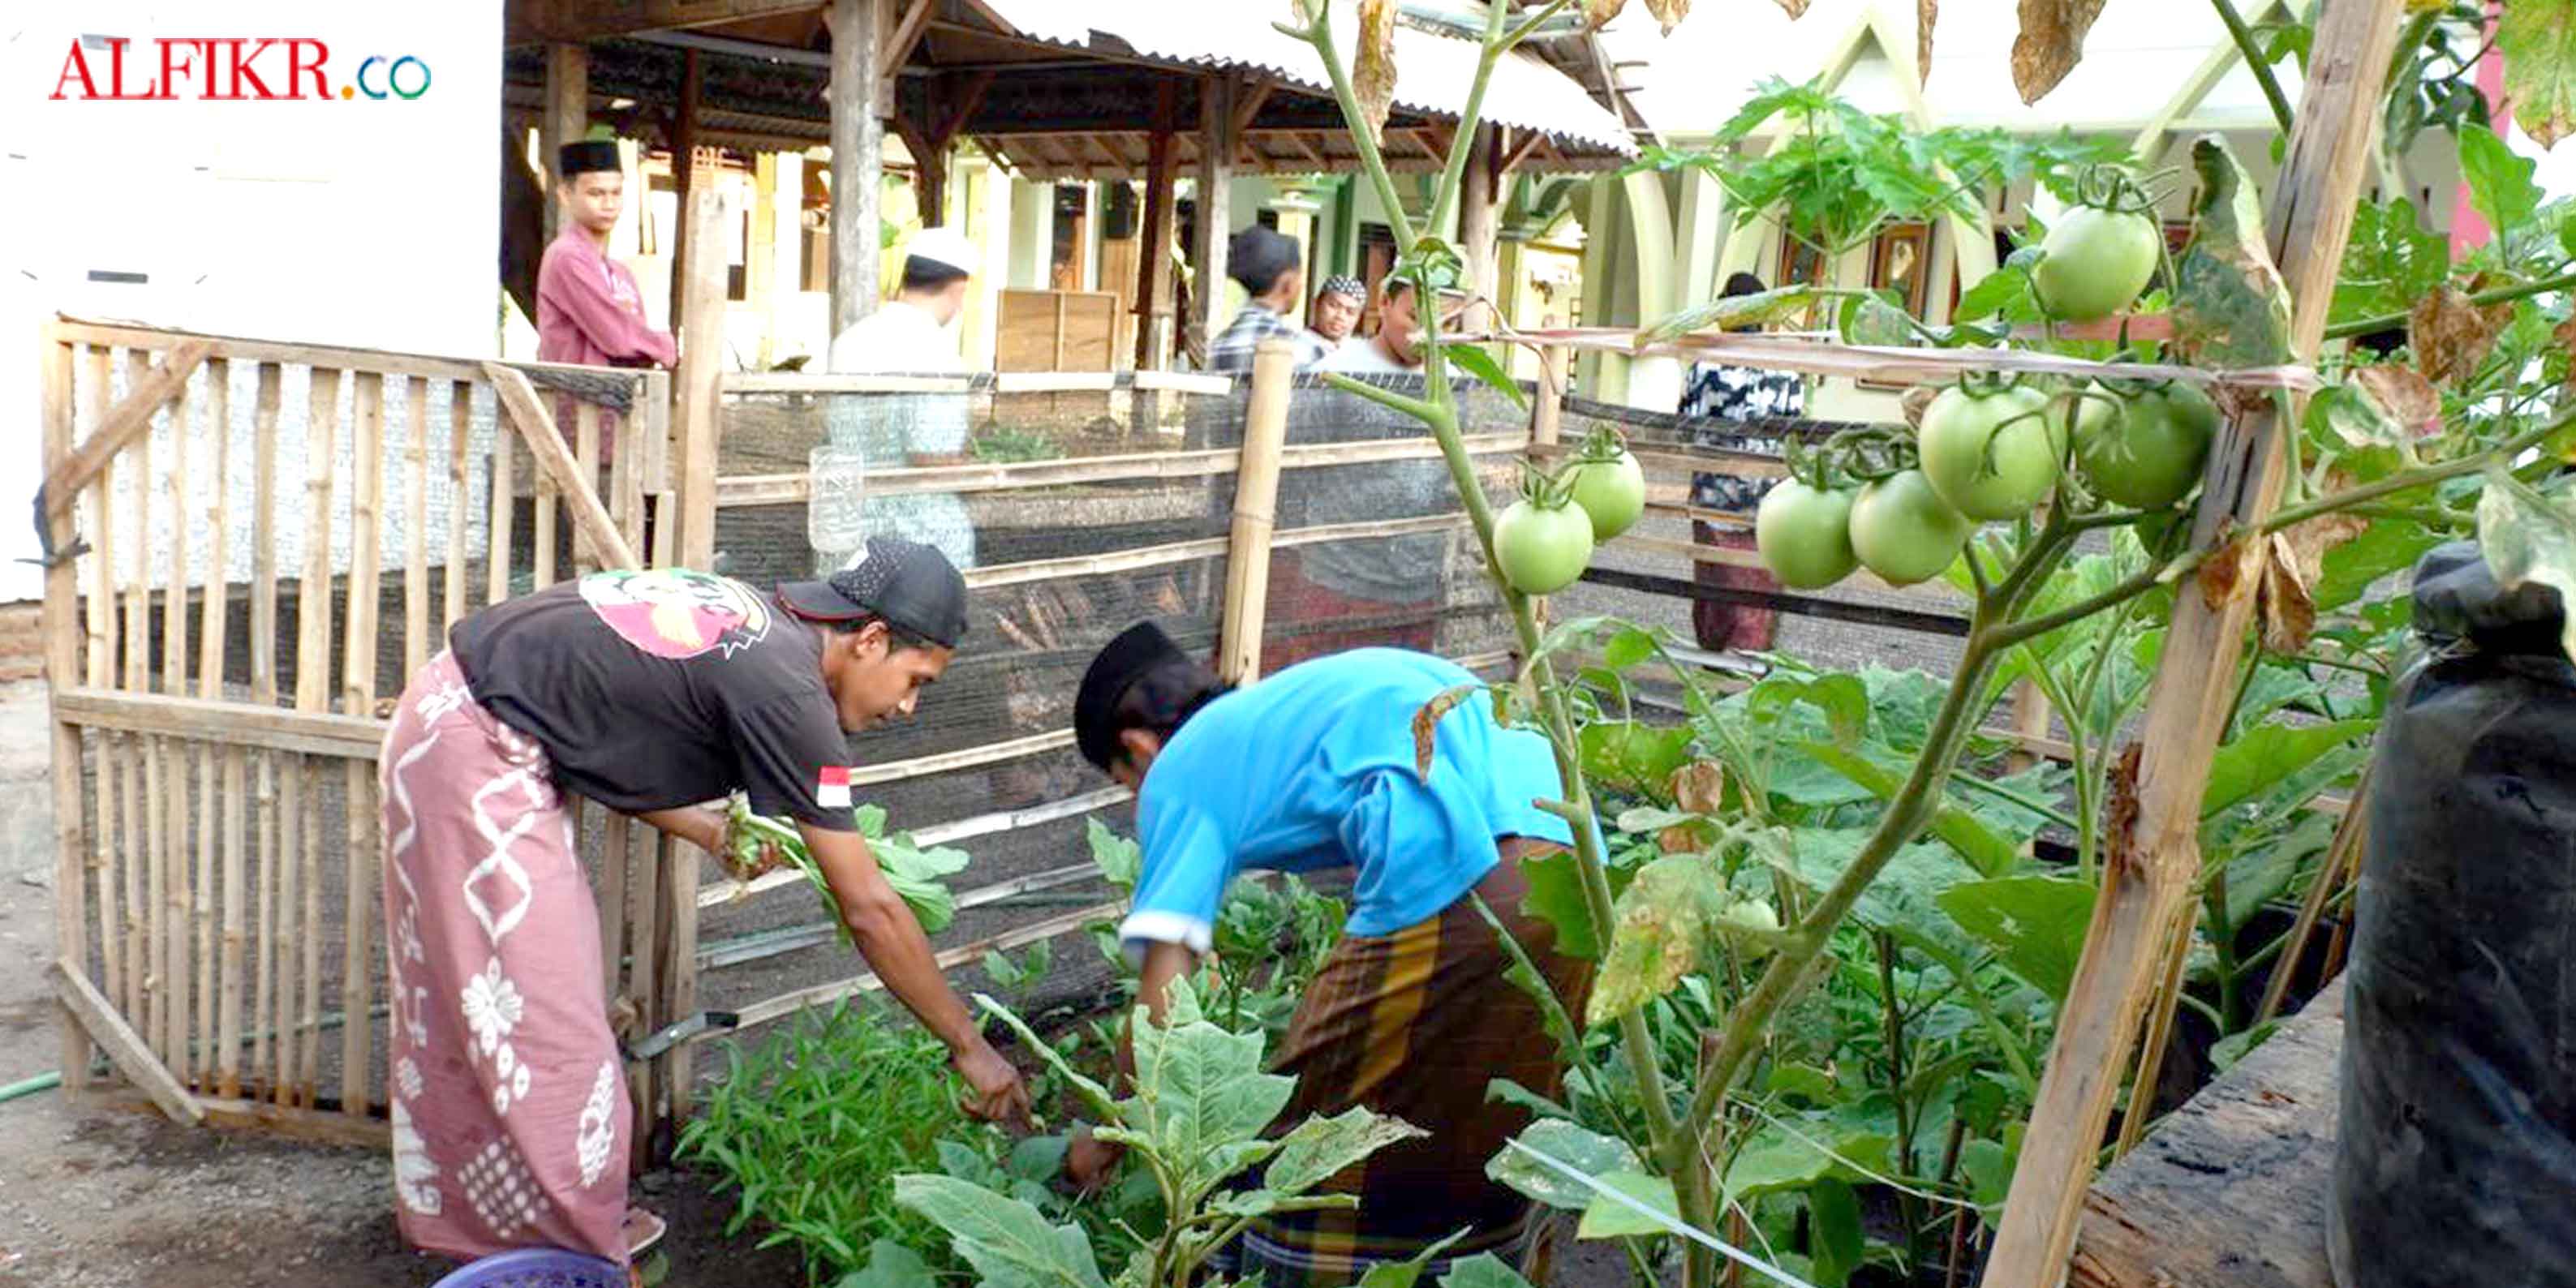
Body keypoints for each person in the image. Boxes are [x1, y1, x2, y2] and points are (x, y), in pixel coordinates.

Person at [377, 537, 1030, 1271]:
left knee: (516, 1005)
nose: (907, 707)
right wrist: (970, 1048)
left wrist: (708, 830)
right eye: (916, 680)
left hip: (466, 722)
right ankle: (570, 1255)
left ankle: (521, 1231)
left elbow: (590, 721)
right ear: (871, 639)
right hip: (473, 747)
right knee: (542, 1020)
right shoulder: (790, 695)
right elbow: (869, 907)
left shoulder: (764, 630)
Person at [1063, 625, 1593, 1288]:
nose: (1139, 805)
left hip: (1467, 869)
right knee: (1481, 1118)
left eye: (1125, 785)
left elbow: (1160, 1007)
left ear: (1138, 749)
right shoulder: (1281, 714)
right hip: (1577, 867)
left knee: (1307, 1136)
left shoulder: (1179, 768)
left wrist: (1108, 1128)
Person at [822, 227, 982, 576]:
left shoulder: (850, 341)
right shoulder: (937, 353)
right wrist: (979, 470)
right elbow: (929, 455)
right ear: (958, 286)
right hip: (919, 543)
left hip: (851, 532)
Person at [1680, 272, 1805, 655]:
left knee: (1717, 585)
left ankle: (1716, 663)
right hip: (1768, 501)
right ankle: (1752, 664)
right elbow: (1795, 430)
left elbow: (1685, 425)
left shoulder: (1707, 366)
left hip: (1715, 496)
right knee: (1760, 587)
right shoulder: (1786, 368)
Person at [536, 140, 677, 458]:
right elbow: (616, 335)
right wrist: (666, 347)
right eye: (596, 193)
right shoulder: (566, 257)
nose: (608, 204)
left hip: (617, 419)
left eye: (616, 193)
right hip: (580, 420)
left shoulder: (620, 272)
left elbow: (632, 340)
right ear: (565, 194)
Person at [1206, 225, 1333, 372]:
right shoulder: (1305, 351)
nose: (1301, 285)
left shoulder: (1216, 348)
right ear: (1288, 284)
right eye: (1299, 276)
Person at [1307, 274, 1366, 350]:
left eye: (1350, 312)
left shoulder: (1359, 352)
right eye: (1334, 306)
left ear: (1358, 318)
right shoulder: (1293, 346)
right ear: (1316, 304)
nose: (1340, 316)